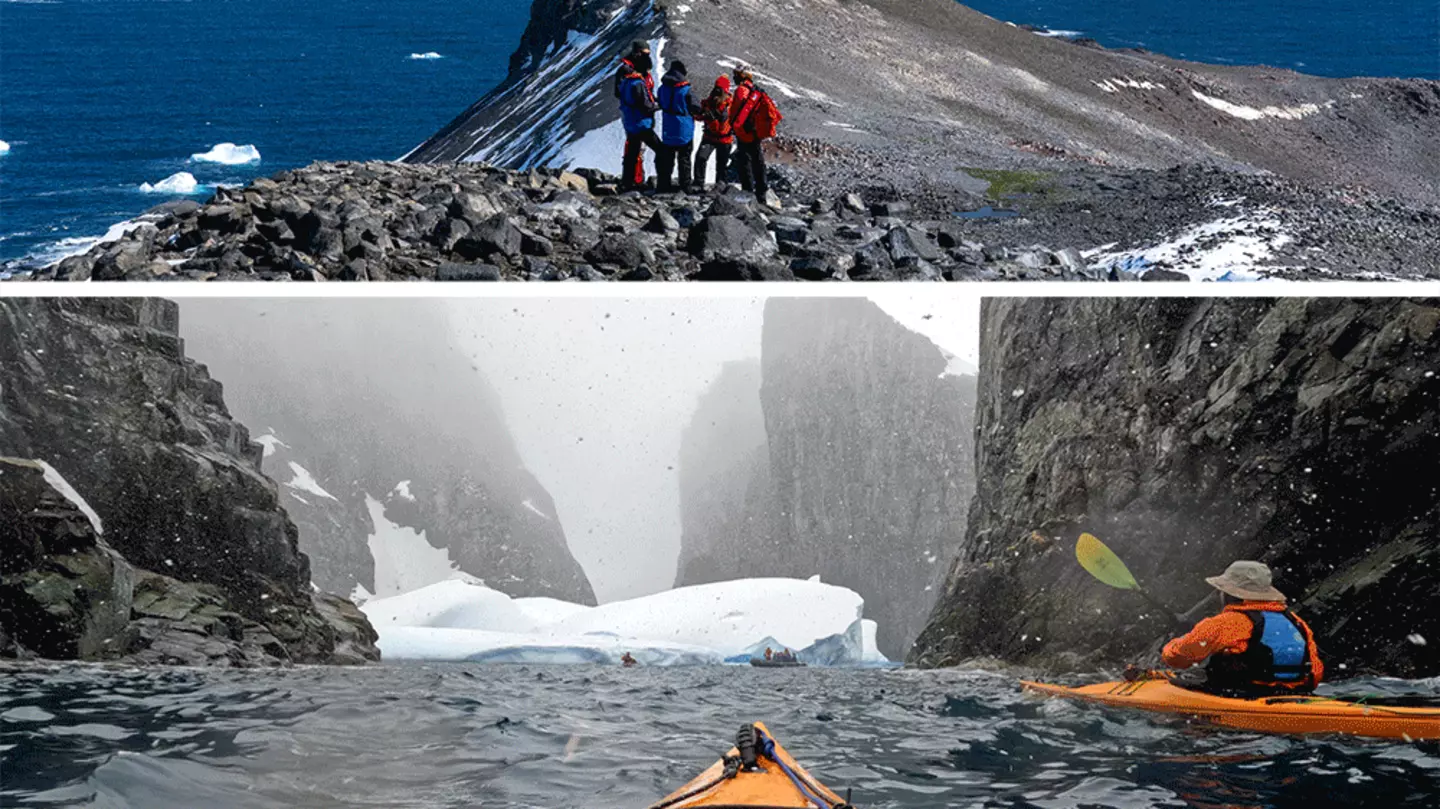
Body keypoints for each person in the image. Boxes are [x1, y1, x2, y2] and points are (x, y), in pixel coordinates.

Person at [1161, 560, 1323, 696]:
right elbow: (1316, 672)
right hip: (1294, 694)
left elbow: (1177, 658)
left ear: (1230, 594)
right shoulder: (1296, 622)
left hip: (1242, 694)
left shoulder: (1225, 623)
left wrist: (1172, 645)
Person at [727, 65, 779, 198]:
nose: (734, 77)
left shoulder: (741, 90)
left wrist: (733, 126)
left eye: (736, 74)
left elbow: (735, 112)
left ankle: (748, 190)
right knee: (757, 158)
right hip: (755, 130)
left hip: (744, 131)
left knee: (744, 160)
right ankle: (762, 190)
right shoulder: (757, 91)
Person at [615, 40, 660, 192]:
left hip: (638, 116)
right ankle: (636, 180)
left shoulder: (640, 70)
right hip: (637, 116)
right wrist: (648, 103)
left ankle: (631, 180)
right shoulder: (627, 72)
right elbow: (621, 93)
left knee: (635, 149)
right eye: (645, 53)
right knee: (638, 148)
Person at [655, 60, 704, 192]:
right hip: (684, 129)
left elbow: (659, 102)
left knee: (667, 158)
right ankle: (685, 186)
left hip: (668, 128)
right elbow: (697, 107)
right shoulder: (685, 90)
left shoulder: (662, 89)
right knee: (684, 158)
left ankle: (664, 185)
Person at [693, 75, 734, 189]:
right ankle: (698, 183)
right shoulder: (708, 102)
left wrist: (710, 118)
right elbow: (698, 115)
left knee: (721, 166)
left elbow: (726, 127)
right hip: (710, 137)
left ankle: (719, 188)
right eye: (717, 88)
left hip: (724, 139)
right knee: (701, 158)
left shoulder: (730, 105)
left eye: (720, 89)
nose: (717, 91)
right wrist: (703, 115)